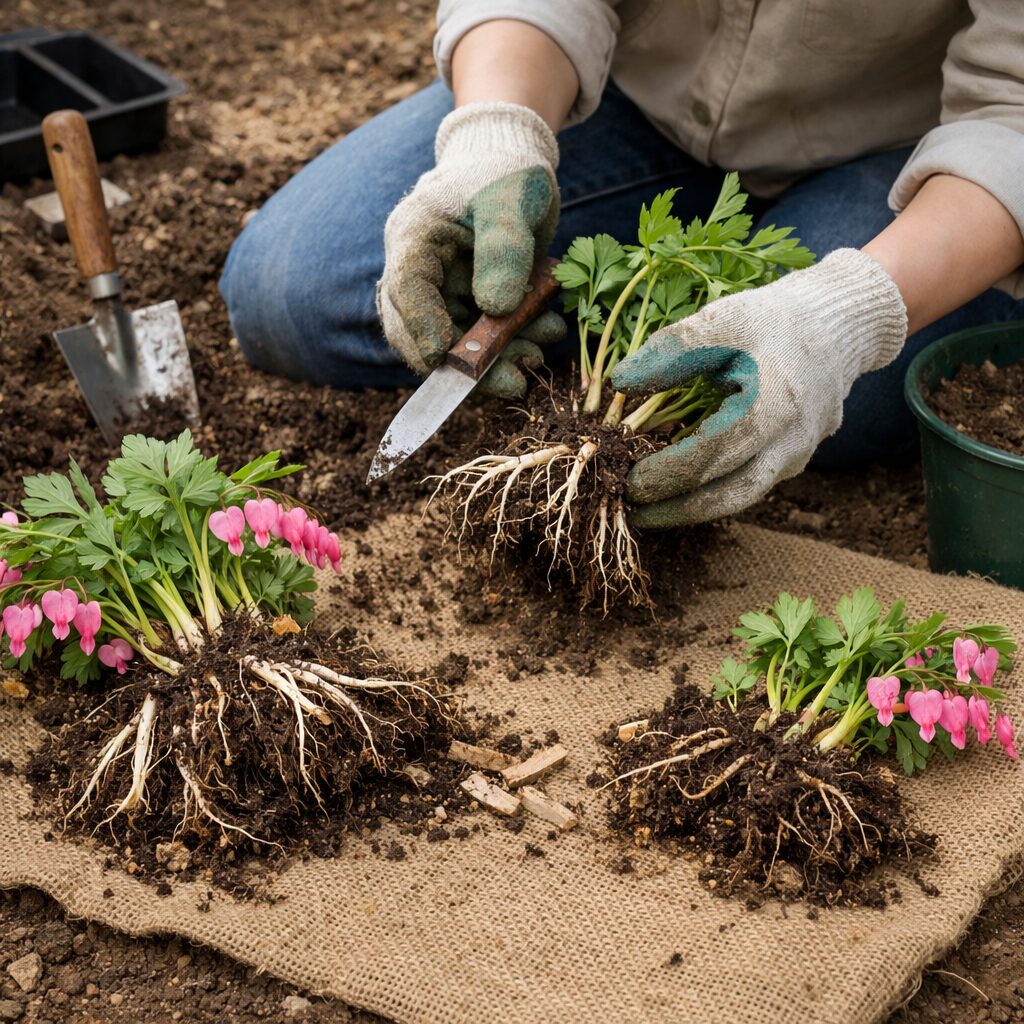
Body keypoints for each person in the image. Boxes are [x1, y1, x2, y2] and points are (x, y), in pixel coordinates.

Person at [220, 3, 1024, 528]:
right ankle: (614, 346)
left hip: (912, 167)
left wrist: (840, 316)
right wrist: (494, 139)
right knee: (298, 288)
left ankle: (637, 343)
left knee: (821, 405)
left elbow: (1014, 112)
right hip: (628, 97)